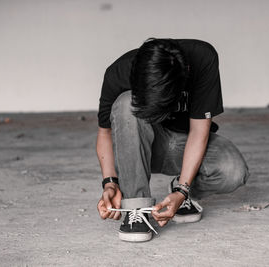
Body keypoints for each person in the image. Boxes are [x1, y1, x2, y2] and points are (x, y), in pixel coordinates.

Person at [96, 38, 250, 242]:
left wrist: (182, 190)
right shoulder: (119, 72)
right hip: (136, 148)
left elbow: (198, 132)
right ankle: (135, 208)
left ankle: (178, 191)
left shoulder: (203, 59)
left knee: (233, 171)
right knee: (126, 103)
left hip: (184, 143)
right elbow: (104, 133)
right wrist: (110, 183)